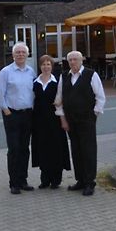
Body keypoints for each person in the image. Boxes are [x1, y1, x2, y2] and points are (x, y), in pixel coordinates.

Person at [54, 50, 106, 196]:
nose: (72, 62)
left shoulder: (91, 75)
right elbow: (59, 99)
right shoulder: (64, 76)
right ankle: (80, 180)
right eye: (70, 60)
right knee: (76, 150)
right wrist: (62, 118)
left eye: (75, 59)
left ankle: (90, 182)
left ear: (81, 60)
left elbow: (100, 97)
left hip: (87, 119)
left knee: (88, 150)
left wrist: (93, 115)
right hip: (71, 120)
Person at [0, 42, 35, 195]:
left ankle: (23, 180)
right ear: (13, 55)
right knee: (14, 149)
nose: (20, 55)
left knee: (25, 149)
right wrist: (6, 111)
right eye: (17, 52)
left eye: (23, 52)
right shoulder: (6, 72)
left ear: (27, 54)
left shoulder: (31, 72)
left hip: (27, 114)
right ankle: (14, 183)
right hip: (12, 115)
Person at [31, 55, 70, 189]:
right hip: (39, 121)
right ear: (40, 66)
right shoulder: (35, 82)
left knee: (56, 149)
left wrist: (63, 120)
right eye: (43, 64)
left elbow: (61, 103)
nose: (46, 67)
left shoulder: (58, 82)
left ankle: (56, 179)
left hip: (55, 121)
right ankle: (45, 179)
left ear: (52, 66)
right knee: (43, 149)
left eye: (48, 64)